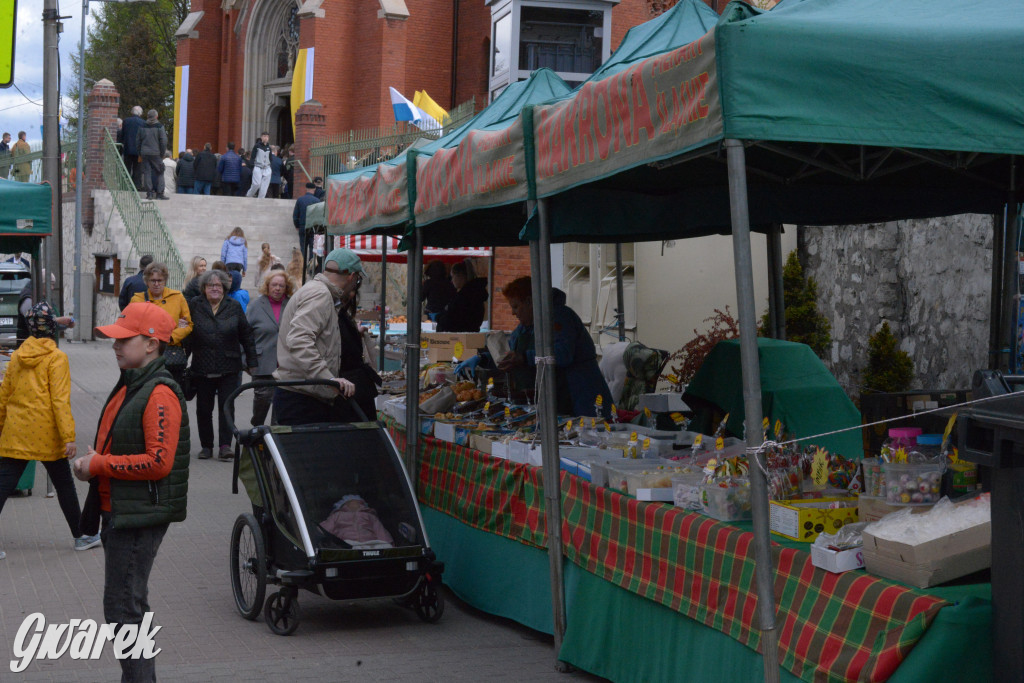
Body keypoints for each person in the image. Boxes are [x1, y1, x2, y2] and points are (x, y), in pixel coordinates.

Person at [74, 302, 190, 683]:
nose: (116, 346)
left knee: (125, 610)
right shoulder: (134, 381)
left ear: (152, 343)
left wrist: (99, 465)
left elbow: (159, 462)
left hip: (138, 514)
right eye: (115, 339)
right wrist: (97, 459)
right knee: (128, 607)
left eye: (125, 339)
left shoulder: (159, 392)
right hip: (123, 510)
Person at [0, 302, 101, 560]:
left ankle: (82, 534)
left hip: (17, 430)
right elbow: (59, 400)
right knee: (64, 484)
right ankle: (81, 535)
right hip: (46, 433)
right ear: (52, 329)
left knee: (3, 484)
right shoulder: (57, 358)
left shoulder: (18, 356)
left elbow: (4, 395)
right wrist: (69, 437)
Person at [458, 277, 612, 417]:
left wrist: (525, 357)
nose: (512, 313)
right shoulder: (525, 327)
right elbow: (509, 353)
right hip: (551, 398)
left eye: (516, 306)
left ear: (530, 302)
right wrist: (482, 359)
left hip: (581, 395)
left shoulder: (560, 317)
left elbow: (563, 354)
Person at [272, 248, 360, 425]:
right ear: (352, 276)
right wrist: (328, 378)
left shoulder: (318, 291)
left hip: (301, 395)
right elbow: (299, 339)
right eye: (358, 279)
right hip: (302, 399)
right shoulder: (320, 294)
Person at [187, 270, 257, 460]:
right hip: (202, 365)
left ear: (225, 287)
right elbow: (187, 334)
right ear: (204, 288)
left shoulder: (233, 306)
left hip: (229, 367)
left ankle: (225, 446)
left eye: (218, 285)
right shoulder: (195, 304)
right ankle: (206, 446)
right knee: (203, 409)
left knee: (227, 407)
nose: (215, 289)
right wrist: (182, 360)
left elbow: (247, 335)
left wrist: (252, 363)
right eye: (211, 285)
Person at [130, 262, 193, 385]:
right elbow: (133, 326)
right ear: (146, 281)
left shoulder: (177, 297)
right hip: (147, 353)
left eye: (160, 280)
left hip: (171, 353)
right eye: (153, 280)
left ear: (165, 280)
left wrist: (171, 337)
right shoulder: (137, 300)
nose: (157, 284)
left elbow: (189, 325)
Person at [333, 259, 380, 422]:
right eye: (356, 282)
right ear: (351, 277)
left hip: (354, 386)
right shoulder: (330, 306)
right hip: (348, 387)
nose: (353, 293)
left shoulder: (341, 310)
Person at [247, 269, 294, 426]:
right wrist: (245, 360)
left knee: (282, 407)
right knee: (262, 403)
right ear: (267, 286)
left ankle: (276, 438)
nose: (278, 288)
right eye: (274, 285)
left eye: (281, 285)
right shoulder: (255, 306)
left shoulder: (293, 305)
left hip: (287, 365)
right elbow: (245, 335)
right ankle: (256, 434)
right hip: (262, 363)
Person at [320, 495, 394, 548]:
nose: (354, 503)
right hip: (346, 543)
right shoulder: (337, 515)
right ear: (344, 504)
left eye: (358, 502)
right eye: (351, 502)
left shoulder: (369, 516)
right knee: (345, 546)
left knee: (384, 545)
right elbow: (324, 529)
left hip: (370, 543)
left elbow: (380, 531)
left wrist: (388, 544)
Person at [436, 261, 488, 333]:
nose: (451, 281)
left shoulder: (464, 297)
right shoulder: (475, 295)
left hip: (457, 338)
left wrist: (439, 318)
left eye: (452, 276)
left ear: (460, 276)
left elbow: (451, 318)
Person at [136, 111, 168, 199]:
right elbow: (163, 141)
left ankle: (149, 193)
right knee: (160, 171)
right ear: (156, 117)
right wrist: (162, 153)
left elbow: (138, 141)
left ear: (148, 116)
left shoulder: (142, 126)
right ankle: (159, 193)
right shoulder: (160, 127)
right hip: (156, 153)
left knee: (147, 173)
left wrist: (140, 152)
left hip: (144, 153)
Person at [293, 182, 321, 269]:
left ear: (306, 189)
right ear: (314, 189)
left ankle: (302, 266)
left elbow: (295, 215)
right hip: (313, 228)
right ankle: (311, 266)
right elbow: (319, 216)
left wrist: (297, 225)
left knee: (303, 247)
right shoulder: (317, 201)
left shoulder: (300, 200)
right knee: (313, 247)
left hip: (302, 226)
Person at [119, 106, 145, 189]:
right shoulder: (143, 123)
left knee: (127, 168)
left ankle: (125, 185)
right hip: (139, 151)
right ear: (140, 113)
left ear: (132, 112)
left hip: (127, 148)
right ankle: (136, 186)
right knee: (138, 168)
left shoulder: (126, 121)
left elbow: (122, 134)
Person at [246, 132, 272, 198]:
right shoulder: (257, 146)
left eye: (267, 136)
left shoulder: (269, 147)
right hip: (258, 166)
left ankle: (261, 199)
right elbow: (252, 157)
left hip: (267, 167)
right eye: (264, 136)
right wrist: (252, 166)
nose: (265, 138)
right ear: (261, 137)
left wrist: (270, 167)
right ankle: (249, 195)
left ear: (268, 138)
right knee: (256, 184)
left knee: (264, 186)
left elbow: (270, 158)